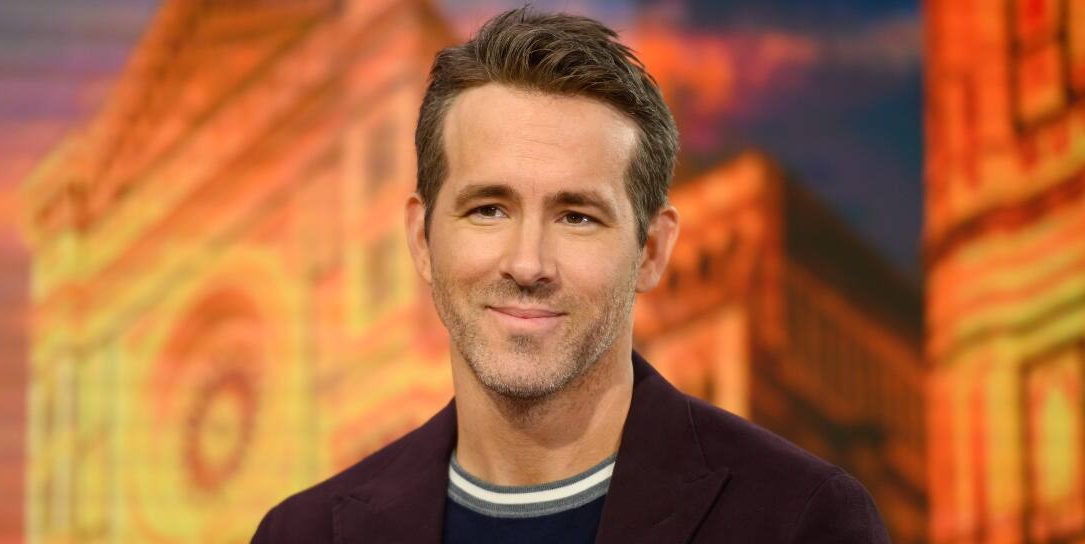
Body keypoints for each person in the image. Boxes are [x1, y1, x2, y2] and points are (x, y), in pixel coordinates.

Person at [252, 7, 889, 543]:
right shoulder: (304, 535)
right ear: (422, 238)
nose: (528, 263)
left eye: (577, 217)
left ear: (651, 251)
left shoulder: (799, 520)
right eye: (488, 209)